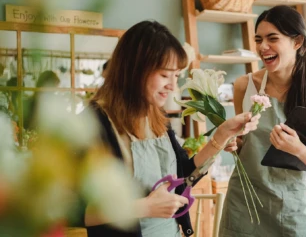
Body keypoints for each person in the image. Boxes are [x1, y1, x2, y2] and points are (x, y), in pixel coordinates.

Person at [80, 20, 260, 237]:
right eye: (165, 75)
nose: (173, 86)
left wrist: (222, 135)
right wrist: (144, 207)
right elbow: (72, 211)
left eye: (176, 76)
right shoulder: (94, 123)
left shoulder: (156, 117)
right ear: (135, 70)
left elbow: (183, 174)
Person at [219, 5, 306, 237]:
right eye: (258, 39)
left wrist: (298, 149)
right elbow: (245, 144)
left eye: (272, 38)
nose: (263, 47)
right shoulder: (245, 86)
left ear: (297, 42)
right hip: (244, 204)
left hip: (291, 208)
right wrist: (232, 142)